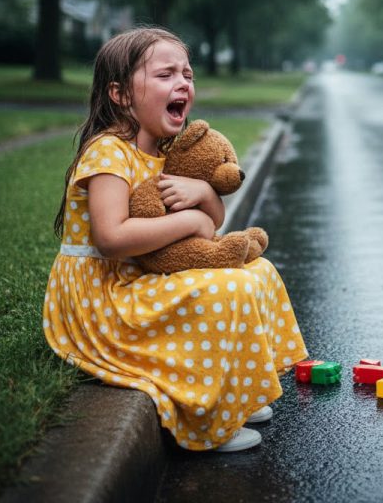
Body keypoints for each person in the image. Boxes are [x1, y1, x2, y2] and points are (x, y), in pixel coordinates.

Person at [44, 26, 307, 452]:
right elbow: (111, 238)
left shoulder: (171, 150)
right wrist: (191, 223)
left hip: (140, 278)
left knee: (258, 270)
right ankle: (209, 418)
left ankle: (238, 389)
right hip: (104, 297)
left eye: (187, 74)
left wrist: (203, 194)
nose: (183, 83)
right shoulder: (108, 152)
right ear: (121, 95)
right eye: (166, 75)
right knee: (230, 286)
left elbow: (213, 219)